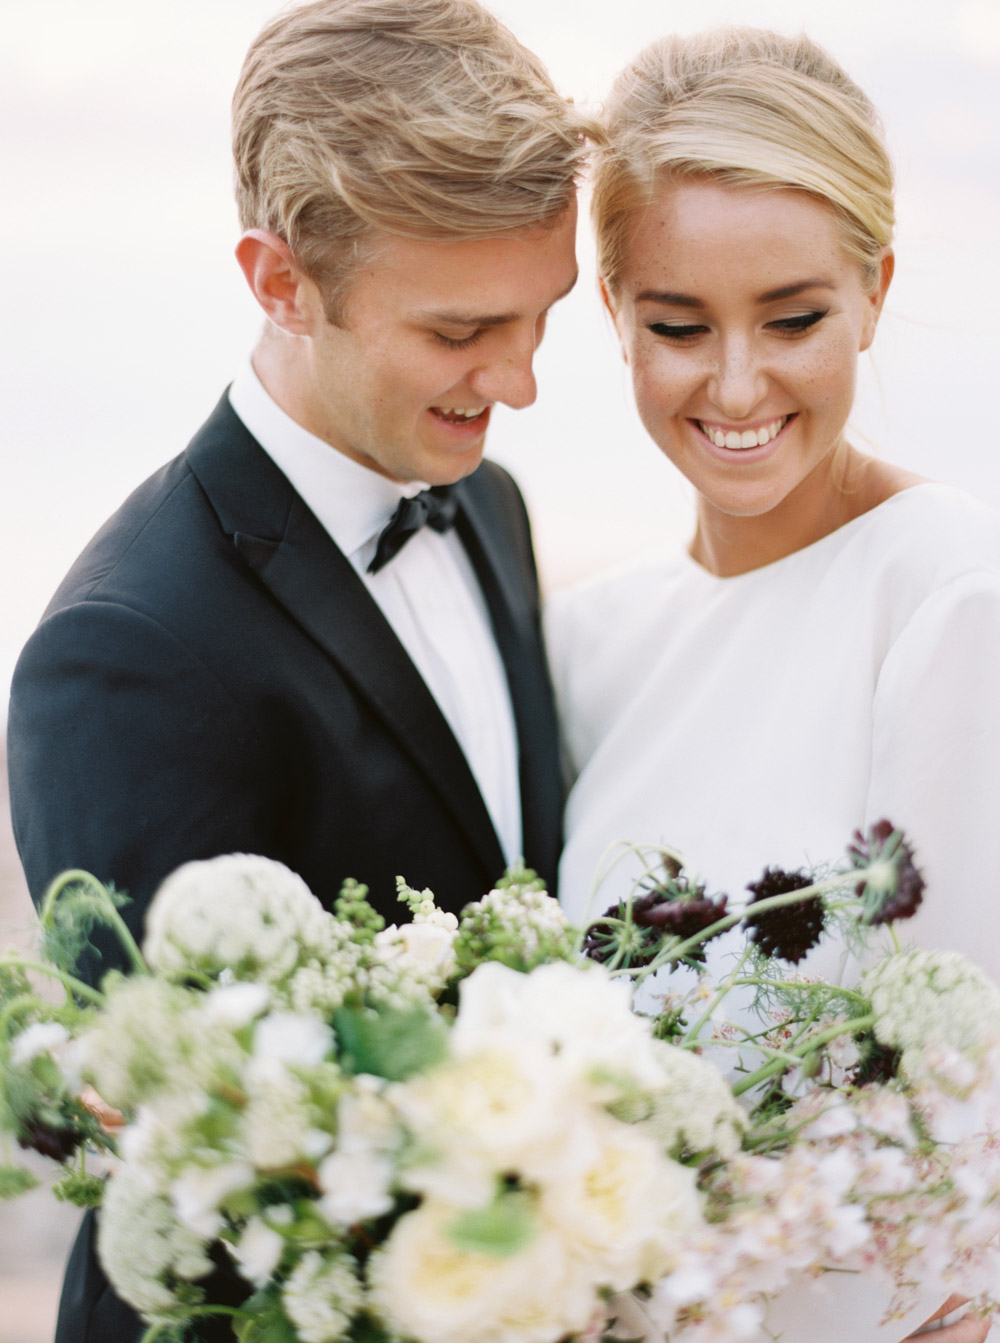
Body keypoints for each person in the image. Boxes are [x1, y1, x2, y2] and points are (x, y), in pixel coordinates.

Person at [7, 1, 589, 1338]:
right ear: (279, 281)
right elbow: (207, 1147)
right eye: (461, 331)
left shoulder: (487, 505)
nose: (522, 379)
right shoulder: (124, 654)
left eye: (541, 315)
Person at [548, 28, 1000, 1343]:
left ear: (876, 288)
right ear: (612, 315)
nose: (737, 385)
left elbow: (962, 1160)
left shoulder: (952, 602)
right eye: (678, 327)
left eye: (794, 319)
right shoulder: (590, 646)